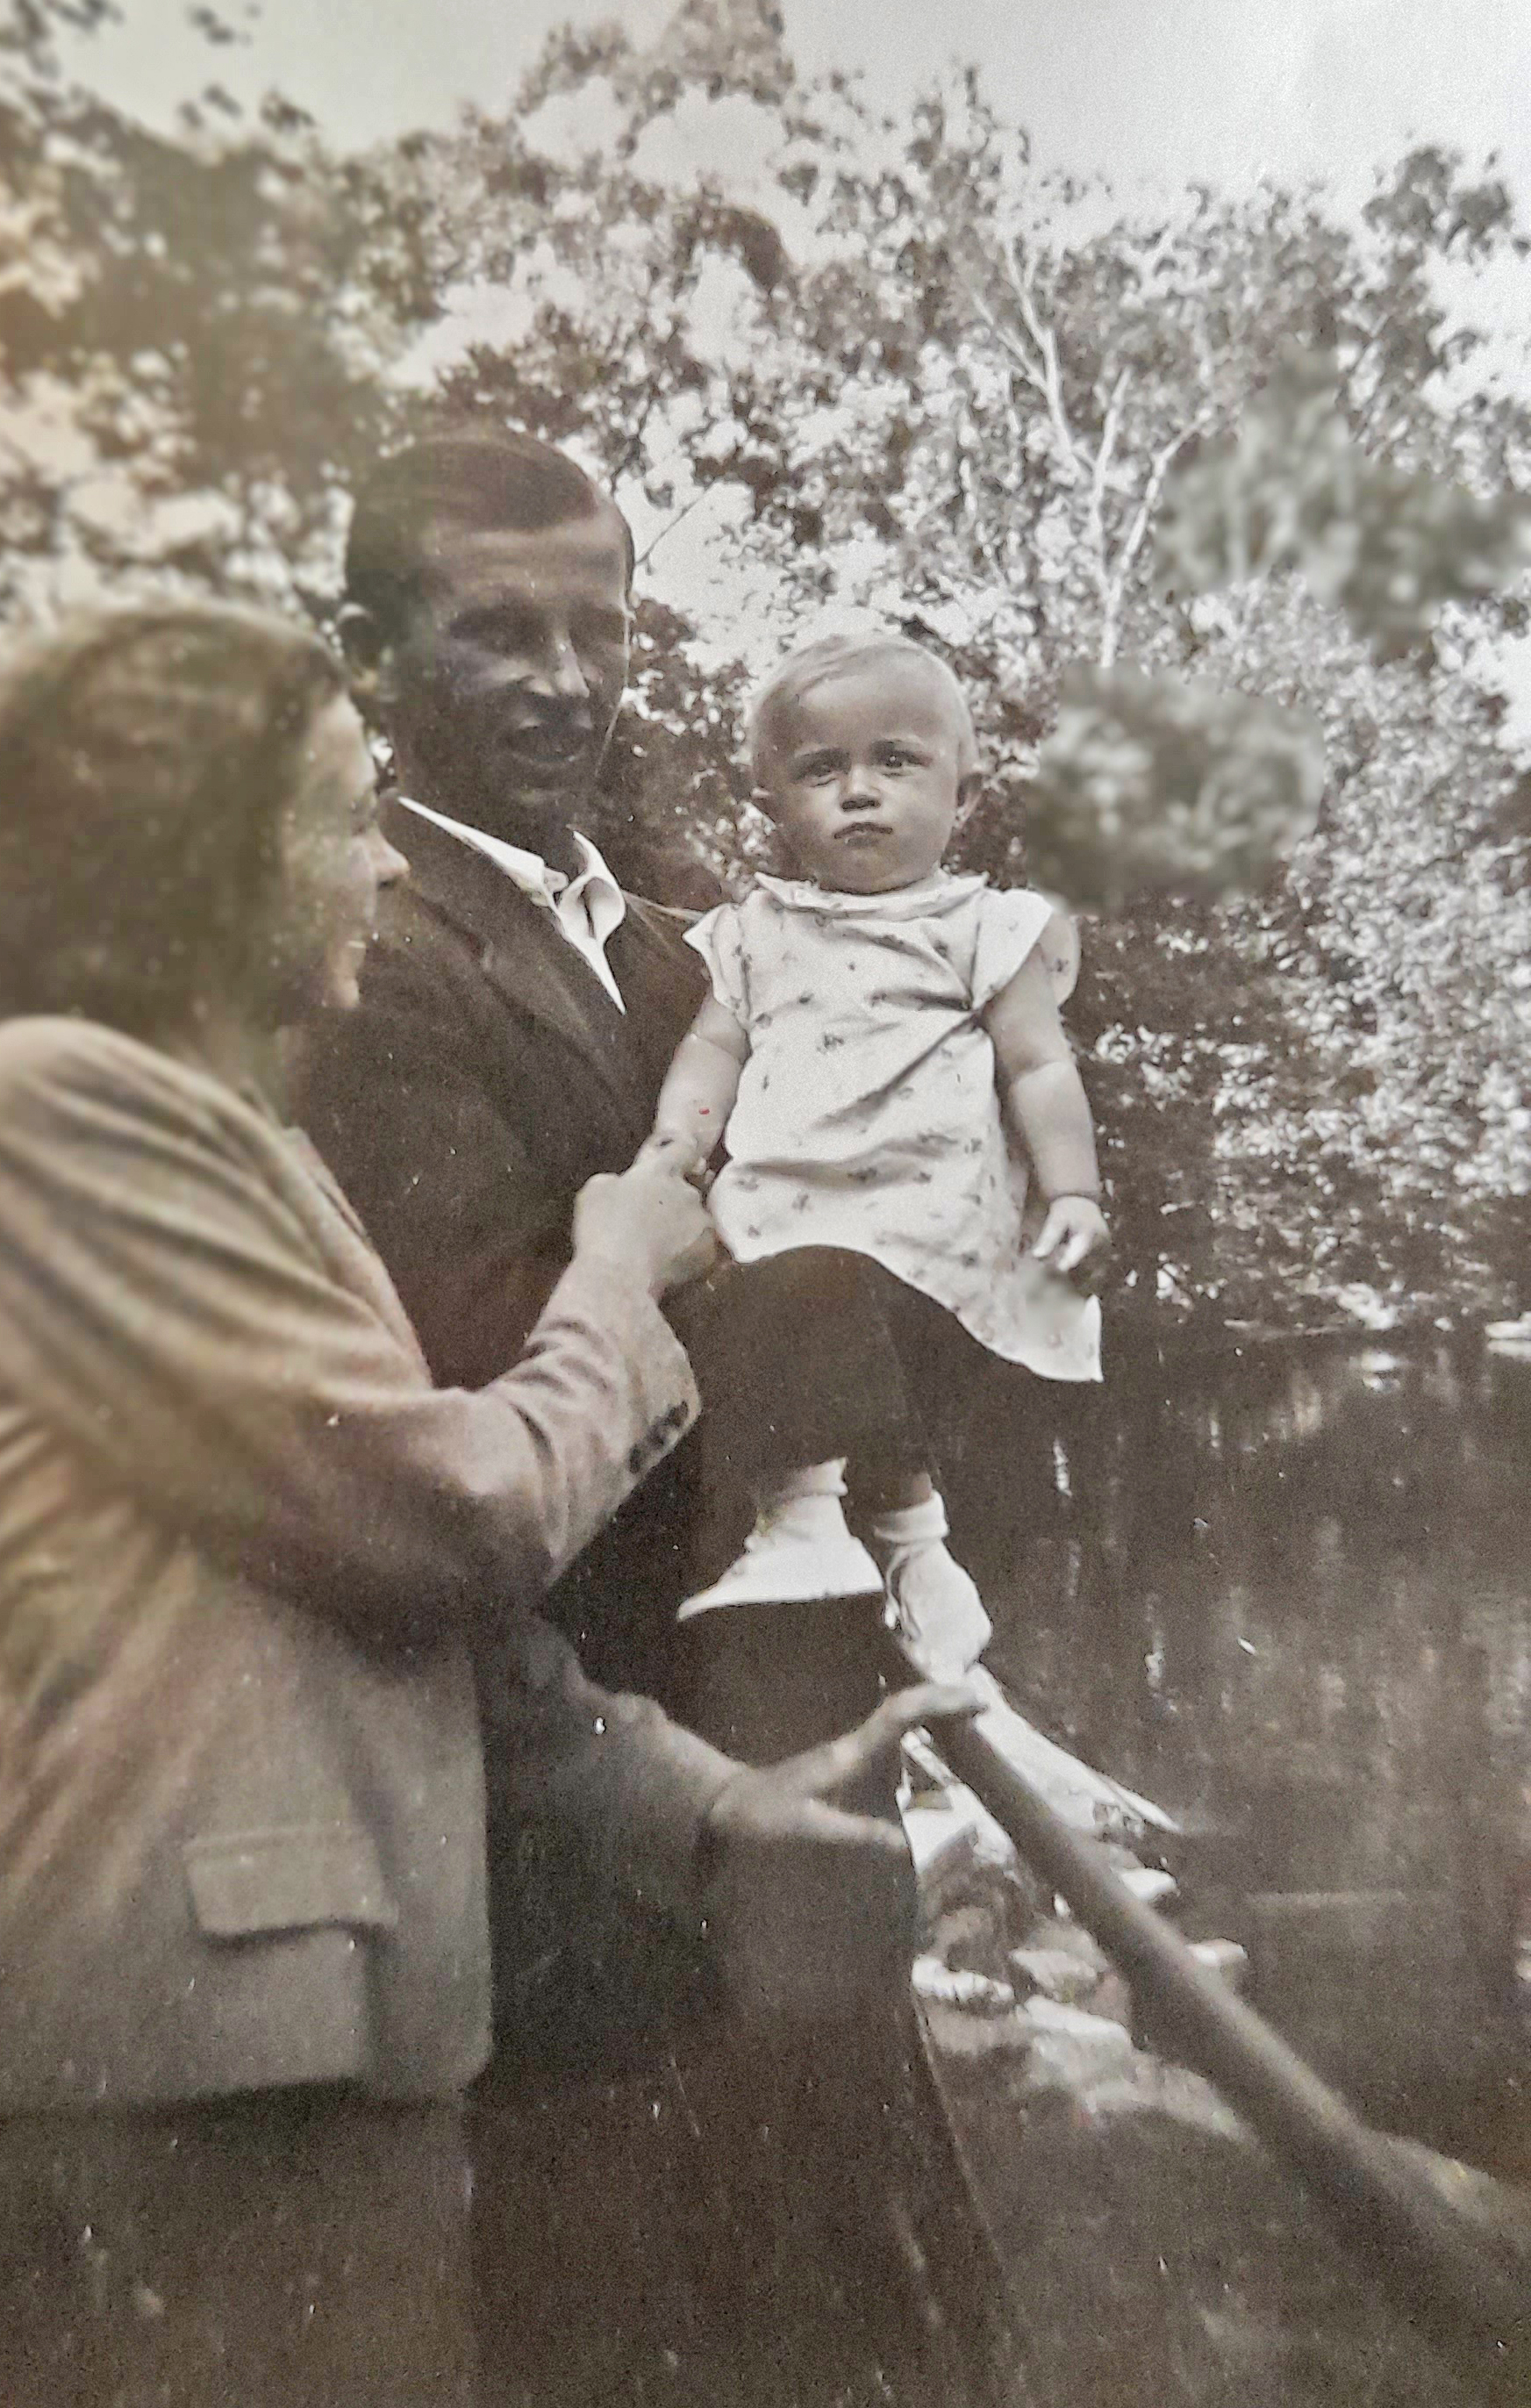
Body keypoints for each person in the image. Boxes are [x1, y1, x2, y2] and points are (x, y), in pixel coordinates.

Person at [0, 600, 969, 2408]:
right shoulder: (57, 1110)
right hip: (182, 2066)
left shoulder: (239, 1141)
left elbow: (401, 1616)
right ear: (200, 856)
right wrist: (615, 1270)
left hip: (296, 2048)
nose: (378, 864)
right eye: (331, 817)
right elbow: (449, 1523)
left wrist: (712, 1808)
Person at [294, 430, 1019, 2405]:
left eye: (597, 628)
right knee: (629, 2308)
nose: (564, 681)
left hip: (769, 1718)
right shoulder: (368, 955)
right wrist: (790, 1295)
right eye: (498, 631)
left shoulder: (677, 937)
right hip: (578, 1780)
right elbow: (473, 1357)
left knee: (835, 2284)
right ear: (371, 653)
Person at [648, 630, 1109, 1712]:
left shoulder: (983, 926)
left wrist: (1074, 1189)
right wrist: (677, 1142)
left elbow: (1038, 1066)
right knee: (783, 1306)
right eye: (821, 770)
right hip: (790, 1196)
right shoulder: (755, 932)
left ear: (961, 791)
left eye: (894, 761)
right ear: (770, 804)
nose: (858, 791)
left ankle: (808, 1524)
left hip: (920, 1206)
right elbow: (712, 1050)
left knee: (827, 1315)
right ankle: (908, 1555)